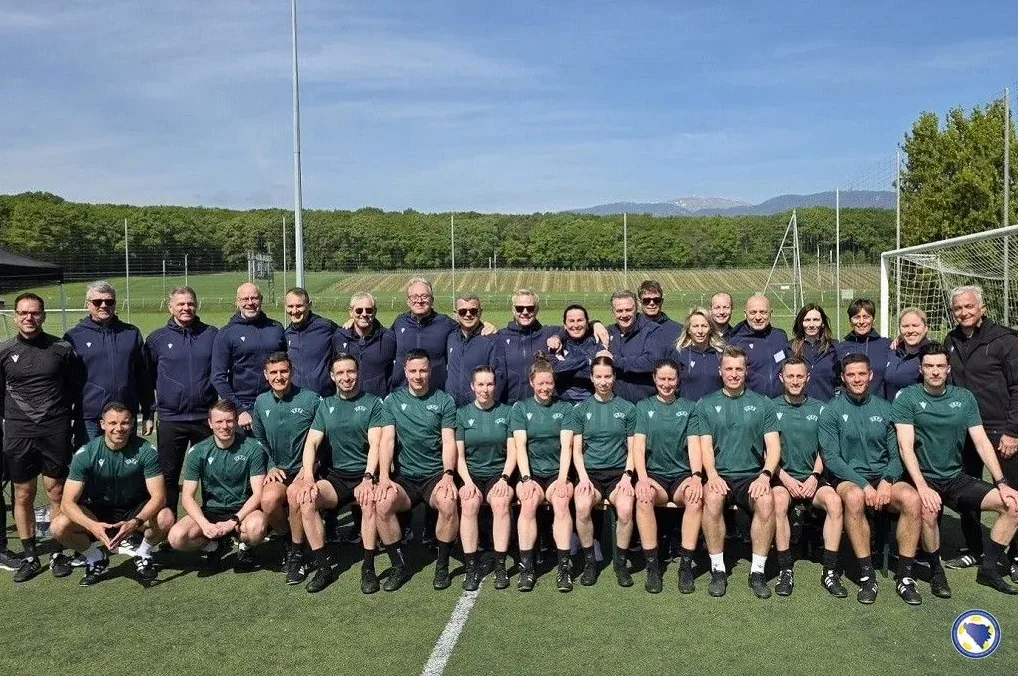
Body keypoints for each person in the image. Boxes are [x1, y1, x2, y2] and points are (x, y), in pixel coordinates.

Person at [893, 342, 1018, 595]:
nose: (935, 371)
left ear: (949, 369)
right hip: (924, 478)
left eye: (940, 366)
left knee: (1013, 505)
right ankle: (936, 571)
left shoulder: (964, 398)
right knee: (927, 511)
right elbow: (906, 448)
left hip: (955, 478)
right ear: (921, 369)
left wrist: (1002, 482)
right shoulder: (908, 398)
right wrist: (922, 487)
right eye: (929, 366)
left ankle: (989, 569)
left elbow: (981, 442)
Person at [819, 353, 923, 605]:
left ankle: (905, 577)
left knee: (912, 499)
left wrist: (887, 480)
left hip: (883, 477)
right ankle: (867, 575)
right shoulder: (831, 411)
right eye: (851, 374)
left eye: (861, 374)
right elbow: (832, 459)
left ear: (871, 375)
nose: (857, 379)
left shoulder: (887, 409)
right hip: (848, 478)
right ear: (843, 378)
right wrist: (864, 485)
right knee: (854, 498)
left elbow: (898, 452)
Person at [287, 353, 386, 593]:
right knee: (306, 498)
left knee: (370, 502)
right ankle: (323, 568)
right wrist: (309, 478)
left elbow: (377, 444)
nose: (346, 377)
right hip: (337, 479)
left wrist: (368, 478)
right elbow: (311, 444)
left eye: (350, 372)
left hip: (364, 475)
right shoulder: (325, 405)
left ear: (358, 373)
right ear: (332, 376)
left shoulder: (373, 403)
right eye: (340, 373)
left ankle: (369, 568)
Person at [0, 292, 81, 581]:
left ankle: (58, 552)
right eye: (23, 313)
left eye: (34, 313)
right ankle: (31, 555)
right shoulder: (4, 350)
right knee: (22, 494)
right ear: (15, 316)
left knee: (56, 491)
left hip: (54, 429)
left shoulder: (61, 349)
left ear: (43, 315)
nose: (29, 317)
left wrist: (57, 416)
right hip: (19, 433)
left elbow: (73, 388)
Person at [49, 402, 176, 585]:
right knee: (58, 526)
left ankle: (143, 554)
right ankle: (95, 557)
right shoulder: (86, 453)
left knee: (166, 518)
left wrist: (136, 521)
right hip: (98, 511)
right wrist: (93, 526)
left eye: (124, 423)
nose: (119, 428)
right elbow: (67, 503)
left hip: (134, 508)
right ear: (102, 424)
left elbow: (159, 497)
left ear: (132, 423)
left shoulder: (146, 451)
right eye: (113, 423)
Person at [941, 285, 1018, 574]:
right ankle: (974, 548)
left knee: (1013, 492)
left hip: (1001, 430)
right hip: (966, 431)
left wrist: (1013, 430)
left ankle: (1014, 556)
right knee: (967, 491)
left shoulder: (1003, 340)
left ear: (982, 308)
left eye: (969, 306)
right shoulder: (950, 340)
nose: (964, 312)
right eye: (958, 308)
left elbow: (1017, 386)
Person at [696, 346, 781, 599]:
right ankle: (718, 570)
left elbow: (773, 446)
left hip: (752, 476)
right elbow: (705, 447)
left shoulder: (762, 403)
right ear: (720, 371)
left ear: (746, 371)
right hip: (719, 474)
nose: (734, 374)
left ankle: (757, 572)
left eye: (739, 369)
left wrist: (765, 475)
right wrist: (711, 475)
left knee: (767, 501)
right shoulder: (706, 404)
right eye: (729, 369)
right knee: (711, 499)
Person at [374, 349, 459, 591]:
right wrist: (383, 477)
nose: (418, 375)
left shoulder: (444, 400)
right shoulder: (392, 401)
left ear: (430, 371)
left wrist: (448, 475)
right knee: (382, 503)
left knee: (448, 503)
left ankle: (442, 566)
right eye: (413, 371)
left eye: (423, 370)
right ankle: (398, 566)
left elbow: (449, 441)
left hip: (434, 476)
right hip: (404, 478)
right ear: (405, 372)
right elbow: (387, 440)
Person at [770, 358, 847, 597]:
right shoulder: (770, 408)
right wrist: (785, 478)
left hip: (812, 478)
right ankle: (785, 569)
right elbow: (767, 451)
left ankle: (830, 571)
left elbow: (826, 449)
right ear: (782, 378)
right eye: (790, 376)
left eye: (799, 376)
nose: (795, 381)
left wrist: (815, 476)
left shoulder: (821, 408)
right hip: (781, 478)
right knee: (779, 502)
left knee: (834, 503)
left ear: (807, 378)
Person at [167, 401, 269, 571]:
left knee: (256, 529)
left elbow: (258, 494)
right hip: (211, 511)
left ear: (236, 421)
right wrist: (204, 524)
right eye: (219, 422)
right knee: (176, 538)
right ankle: (212, 546)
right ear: (210, 423)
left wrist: (233, 521)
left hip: (243, 510)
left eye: (229, 421)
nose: (225, 426)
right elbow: (187, 497)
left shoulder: (252, 448)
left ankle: (245, 546)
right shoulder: (198, 451)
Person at [145, 285, 217, 511]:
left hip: (204, 418)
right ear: (170, 307)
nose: (186, 308)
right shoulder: (157, 339)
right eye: (181, 304)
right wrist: (149, 412)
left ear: (196, 305)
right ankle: (166, 532)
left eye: (190, 304)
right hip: (171, 418)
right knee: (168, 477)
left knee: (209, 475)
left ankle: (212, 529)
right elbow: (147, 379)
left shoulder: (212, 334)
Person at [632, 359, 702, 593]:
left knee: (694, 498)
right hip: (654, 477)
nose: (666, 383)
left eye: (671, 379)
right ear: (654, 378)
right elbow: (638, 447)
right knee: (643, 499)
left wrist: (696, 476)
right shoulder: (643, 407)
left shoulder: (689, 408)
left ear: (678, 380)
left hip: (682, 475)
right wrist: (641, 478)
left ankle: (685, 566)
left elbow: (694, 446)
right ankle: (653, 567)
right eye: (662, 378)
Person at [568, 355, 637, 587]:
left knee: (626, 509)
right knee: (582, 506)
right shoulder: (581, 409)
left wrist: (628, 477)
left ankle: (620, 563)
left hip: (619, 474)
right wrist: (584, 477)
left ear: (614, 378)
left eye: (608, 376)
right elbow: (576, 450)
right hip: (591, 475)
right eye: (598, 377)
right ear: (592, 378)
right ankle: (590, 563)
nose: (603, 381)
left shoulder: (627, 409)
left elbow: (633, 449)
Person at [249, 352, 320, 571]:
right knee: (269, 500)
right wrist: (270, 465)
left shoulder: (310, 399)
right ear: (266, 375)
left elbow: (322, 438)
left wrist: (309, 469)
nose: (279, 376)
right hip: (278, 471)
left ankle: (301, 550)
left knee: (296, 495)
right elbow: (258, 440)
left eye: (284, 371)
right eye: (274, 372)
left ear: (292, 372)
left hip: (305, 470)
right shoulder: (261, 402)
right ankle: (287, 541)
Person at [511, 357, 576, 591]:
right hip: (532, 473)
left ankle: (564, 569)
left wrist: (561, 478)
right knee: (528, 504)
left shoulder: (565, 408)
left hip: (557, 473)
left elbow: (566, 446)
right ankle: (527, 569)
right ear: (531, 383)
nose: (545, 388)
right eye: (540, 384)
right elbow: (520, 446)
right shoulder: (521, 408)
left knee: (560, 502)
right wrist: (526, 479)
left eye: (549, 383)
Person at [64, 281, 152, 441]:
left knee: (124, 464)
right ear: (88, 304)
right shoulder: (73, 337)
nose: (104, 305)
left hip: (124, 416)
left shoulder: (131, 333)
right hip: (89, 418)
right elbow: (66, 382)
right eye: (98, 302)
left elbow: (143, 376)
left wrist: (148, 412)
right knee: (89, 464)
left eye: (109, 301)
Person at [456, 366, 515, 591]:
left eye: (489, 384)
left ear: (495, 385)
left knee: (500, 504)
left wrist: (504, 478)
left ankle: (500, 566)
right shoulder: (462, 414)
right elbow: (459, 456)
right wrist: (468, 482)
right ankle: (472, 567)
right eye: (480, 384)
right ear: (472, 386)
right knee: (469, 504)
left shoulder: (507, 412)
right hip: (470, 475)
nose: (485, 389)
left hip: (498, 475)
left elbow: (513, 453)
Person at [211, 282, 286, 430]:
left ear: (261, 300)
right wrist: (239, 409)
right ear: (237, 302)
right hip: (244, 408)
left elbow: (286, 366)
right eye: (245, 299)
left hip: (276, 402)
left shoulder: (276, 328)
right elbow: (217, 377)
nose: (250, 303)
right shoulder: (226, 333)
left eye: (254, 298)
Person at [389, 278, 460, 391]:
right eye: (414, 297)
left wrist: (484, 326)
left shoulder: (445, 323)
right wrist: (354, 323)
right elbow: (379, 336)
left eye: (424, 296)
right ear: (408, 301)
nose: (419, 300)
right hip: (401, 393)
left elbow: (469, 329)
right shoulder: (400, 321)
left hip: (434, 394)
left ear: (432, 300)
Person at [331, 292, 396, 398]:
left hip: (378, 405)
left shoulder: (389, 338)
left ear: (375, 312)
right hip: (348, 402)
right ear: (351, 312)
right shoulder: (339, 337)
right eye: (359, 310)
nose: (364, 314)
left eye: (369, 310)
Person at [446, 294, 506, 407]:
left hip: (478, 409)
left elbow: (500, 376)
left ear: (480, 312)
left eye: (473, 311)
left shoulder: (491, 339)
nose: (468, 314)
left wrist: (489, 405)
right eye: (463, 311)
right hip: (452, 408)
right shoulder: (451, 337)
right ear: (455, 313)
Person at [607, 290, 665, 403]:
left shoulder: (652, 330)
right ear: (613, 311)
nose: (624, 315)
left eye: (628, 310)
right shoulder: (609, 332)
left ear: (636, 308)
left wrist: (614, 360)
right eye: (619, 311)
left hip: (645, 403)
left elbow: (652, 361)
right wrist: (594, 323)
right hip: (615, 404)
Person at [728, 295, 788, 398]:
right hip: (750, 405)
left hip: (779, 404)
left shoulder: (780, 336)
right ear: (745, 314)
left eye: (763, 312)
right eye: (753, 312)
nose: (758, 317)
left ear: (771, 313)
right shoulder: (736, 341)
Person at [283, 287, 339, 397]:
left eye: (299, 306)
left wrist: (353, 322)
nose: (294, 311)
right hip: (295, 400)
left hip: (324, 398)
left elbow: (348, 336)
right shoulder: (286, 334)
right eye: (290, 306)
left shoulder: (325, 327)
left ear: (309, 305)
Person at [835, 298, 891, 397]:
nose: (861, 321)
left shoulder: (887, 345)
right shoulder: (841, 347)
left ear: (873, 319)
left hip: (879, 408)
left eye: (866, 317)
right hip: (849, 408)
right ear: (850, 320)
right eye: (856, 317)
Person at [549, 304, 600, 402]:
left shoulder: (596, 341)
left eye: (580, 320)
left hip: (591, 400)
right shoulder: (556, 342)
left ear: (587, 322)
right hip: (561, 401)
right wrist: (587, 361)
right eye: (571, 321)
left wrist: (566, 366)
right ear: (565, 325)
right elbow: (554, 369)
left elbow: (598, 373)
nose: (576, 325)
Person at [672, 307, 724, 401]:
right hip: (689, 411)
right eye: (695, 326)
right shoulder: (680, 353)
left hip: (714, 410)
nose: (700, 331)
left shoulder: (719, 354)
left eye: (704, 326)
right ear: (688, 330)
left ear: (710, 328)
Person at [789, 303, 838, 401]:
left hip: (827, 407)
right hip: (800, 408)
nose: (811, 325)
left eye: (816, 320)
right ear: (801, 323)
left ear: (823, 323)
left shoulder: (834, 347)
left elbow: (841, 380)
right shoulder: (789, 348)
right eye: (807, 320)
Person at [883, 308, 929, 400]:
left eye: (915, 325)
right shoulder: (893, 351)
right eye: (905, 326)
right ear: (899, 329)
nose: (910, 330)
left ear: (926, 328)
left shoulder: (931, 354)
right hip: (890, 412)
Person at [638, 280, 683, 354]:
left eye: (656, 300)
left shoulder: (678, 330)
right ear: (640, 303)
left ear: (661, 302)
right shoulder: (632, 329)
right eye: (647, 300)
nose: (652, 303)